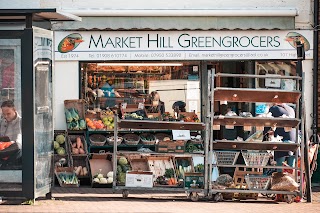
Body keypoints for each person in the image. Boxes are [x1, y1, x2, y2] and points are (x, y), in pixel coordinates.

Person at [0, 100, 22, 169]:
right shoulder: (2, 122)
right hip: (3, 150)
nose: (6, 116)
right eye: (4, 114)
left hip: (16, 153)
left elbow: (19, 144)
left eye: (8, 113)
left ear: (14, 110)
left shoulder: (21, 122)